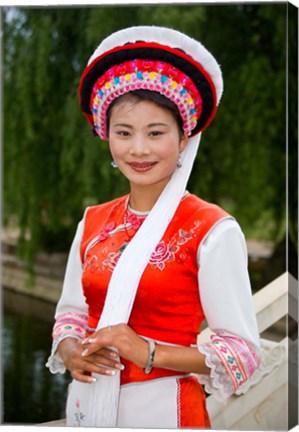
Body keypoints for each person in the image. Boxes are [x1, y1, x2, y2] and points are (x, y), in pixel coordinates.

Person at [46, 25, 261, 428]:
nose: (139, 149)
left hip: (166, 411)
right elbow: (72, 314)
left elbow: (241, 354)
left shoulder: (212, 229)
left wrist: (146, 350)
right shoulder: (93, 221)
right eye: (123, 133)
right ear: (106, 137)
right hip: (86, 408)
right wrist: (73, 350)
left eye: (156, 133)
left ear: (183, 139)